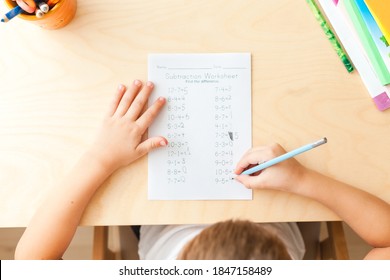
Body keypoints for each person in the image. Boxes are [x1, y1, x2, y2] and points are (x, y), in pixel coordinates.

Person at [14, 80, 390, 260]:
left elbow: (31, 262)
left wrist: (99, 158)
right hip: (280, 201)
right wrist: (303, 180)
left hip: (155, 220)